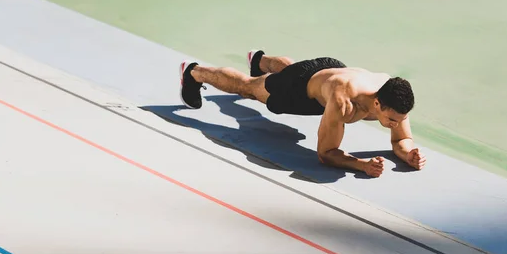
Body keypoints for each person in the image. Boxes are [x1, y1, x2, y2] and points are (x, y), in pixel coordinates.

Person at [179, 50, 426, 177]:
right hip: (299, 89)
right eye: (393, 120)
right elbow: (325, 153)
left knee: (293, 70)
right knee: (249, 88)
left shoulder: (392, 95)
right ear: (377, 105)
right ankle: (194, 72)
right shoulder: (344, 103)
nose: (396, 125)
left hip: (329, 72)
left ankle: (261, 59)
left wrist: (409, 155)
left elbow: (400, 140)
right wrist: (361, 165)